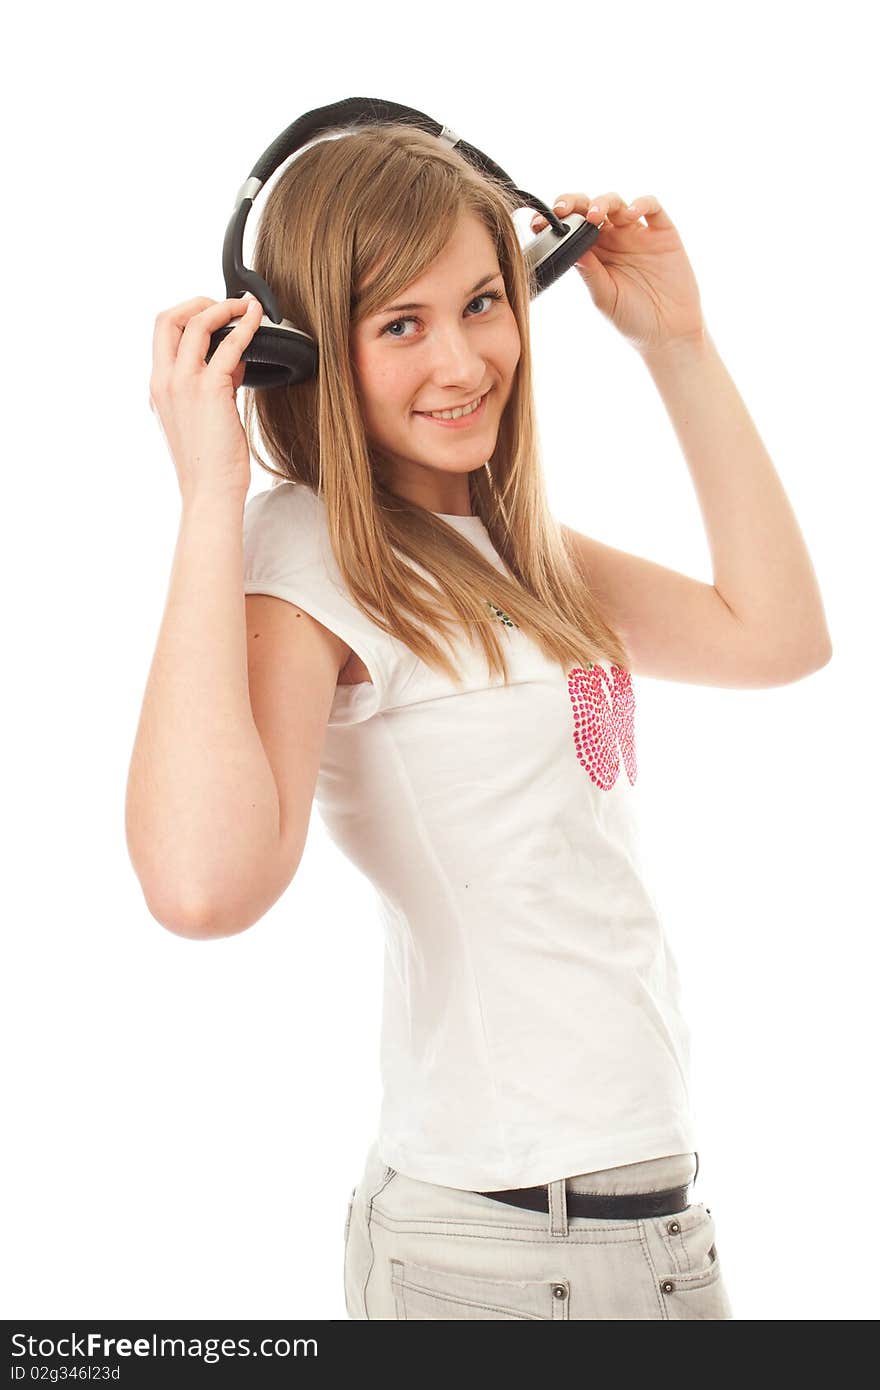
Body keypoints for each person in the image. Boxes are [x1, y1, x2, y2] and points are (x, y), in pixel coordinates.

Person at [127, 121, 832, 1320]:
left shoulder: (517, 556)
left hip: (645, 1227)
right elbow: (204, 887)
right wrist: (211, 496)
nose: (461, 362)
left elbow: (776, 637)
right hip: (498, 1251)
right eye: (399, 323)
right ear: (296, 353)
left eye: (482, 304)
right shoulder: (309, 554)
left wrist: (679, 344)